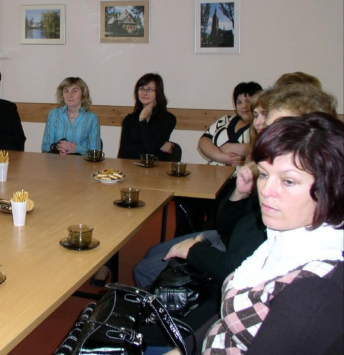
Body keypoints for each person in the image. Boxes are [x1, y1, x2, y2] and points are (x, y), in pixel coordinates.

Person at [197, 113, 344, 354]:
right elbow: (228, 321)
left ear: (331, 187)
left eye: (288, 181)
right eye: (264, 174)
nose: (266, 190)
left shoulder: (316, 288)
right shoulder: (286, 235)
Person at [174, 82, 262, 236]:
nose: (243, 106)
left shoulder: (260, 125)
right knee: (185, 197)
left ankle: (212, 237)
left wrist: (234, 147)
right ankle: (187, 237)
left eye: (248, 101)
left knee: (220, 204)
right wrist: (222, 156)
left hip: (236, 180)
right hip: (211, 174)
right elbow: (204, 141)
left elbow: (258, 148)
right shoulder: (225, 120)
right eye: (239, 102)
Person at [118, 73, 177, 161]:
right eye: (141, 88)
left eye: (149, 90)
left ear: (158, 93)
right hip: (132, 168)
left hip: (157, 170)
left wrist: (143, 120)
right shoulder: (129, 119)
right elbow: (123, 153)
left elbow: (151, 149)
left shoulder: (168, 119)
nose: (144, 93)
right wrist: (160, 146)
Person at [42, 77, 100, 156]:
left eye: (75, 91)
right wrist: (57, 147)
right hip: (57, 164)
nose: (69, 95)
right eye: (66, 91)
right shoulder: (53, 115)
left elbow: (95, 153)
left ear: (83, 94)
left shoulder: (92, 118)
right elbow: (45, 148)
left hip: (82, 166)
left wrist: (77, 149)